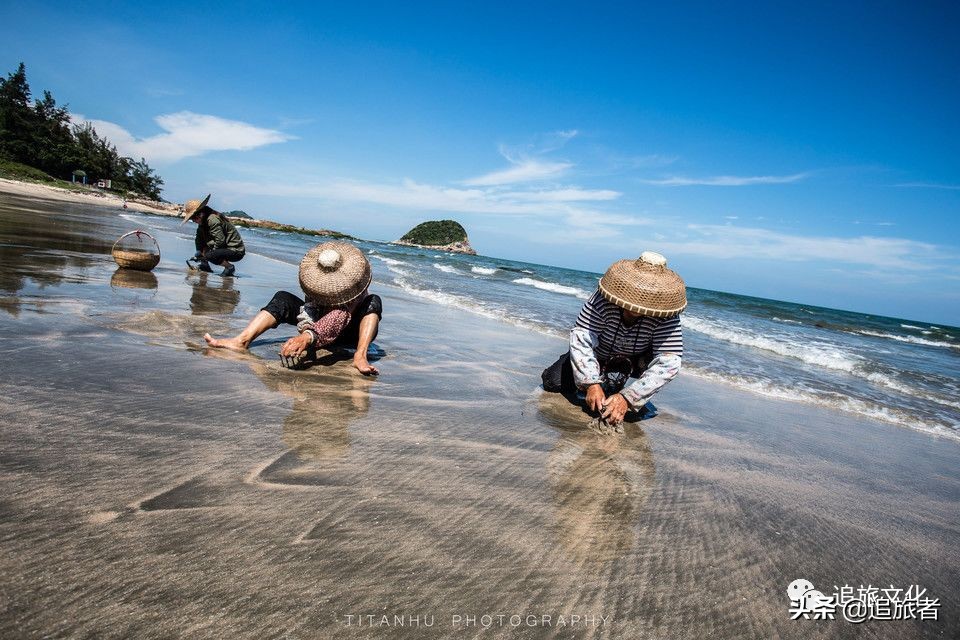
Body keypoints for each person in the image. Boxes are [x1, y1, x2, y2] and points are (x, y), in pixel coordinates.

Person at [541, 251, 685, 426]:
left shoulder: (666, 314)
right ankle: (602, 381)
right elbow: (582, 338)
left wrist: (629, 398)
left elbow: (670, 361)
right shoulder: (602, 300)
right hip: (599, 353)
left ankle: (620, 391)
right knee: (553, 382)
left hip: (636, 360)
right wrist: (591, 383)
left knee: (637, 411)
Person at [204, 241, 382, 375]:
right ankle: (241, 340)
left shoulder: (354, 280)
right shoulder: (315, 279)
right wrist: (306, 330)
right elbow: (309, 308)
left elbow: (341, 315)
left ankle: (360, 355)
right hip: (317, 326)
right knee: (283, 298)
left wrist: (307, 337)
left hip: (350, 330)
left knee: (374, 301)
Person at [181, 194, 245, 277]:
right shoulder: (203, 222)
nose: (193, 221)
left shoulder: (212, 220)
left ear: (200, 215)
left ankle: (229, 267)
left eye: (193, 219)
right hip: (225, 248)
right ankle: (205, 265)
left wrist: (209, 256)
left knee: (210, 255)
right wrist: (198, 252)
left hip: (235, 251)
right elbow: (199, 238)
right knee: (202, 248)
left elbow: (220, 240)